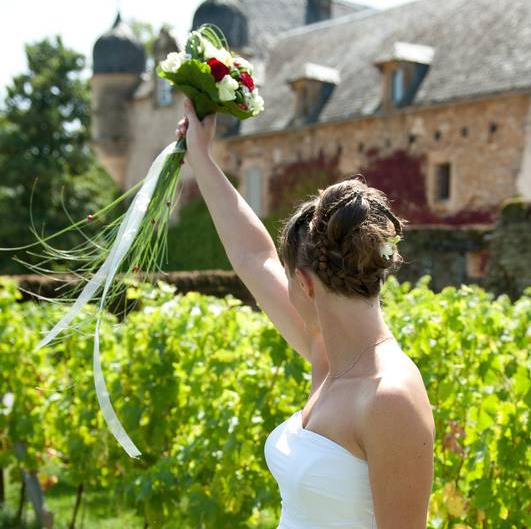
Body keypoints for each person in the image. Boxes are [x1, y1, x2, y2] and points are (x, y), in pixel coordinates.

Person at [176, 99, 435, 528]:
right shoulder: (328, 355)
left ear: (307, 284)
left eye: (288, 278)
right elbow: (251, 255)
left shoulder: (390, 397)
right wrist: (200, 156)